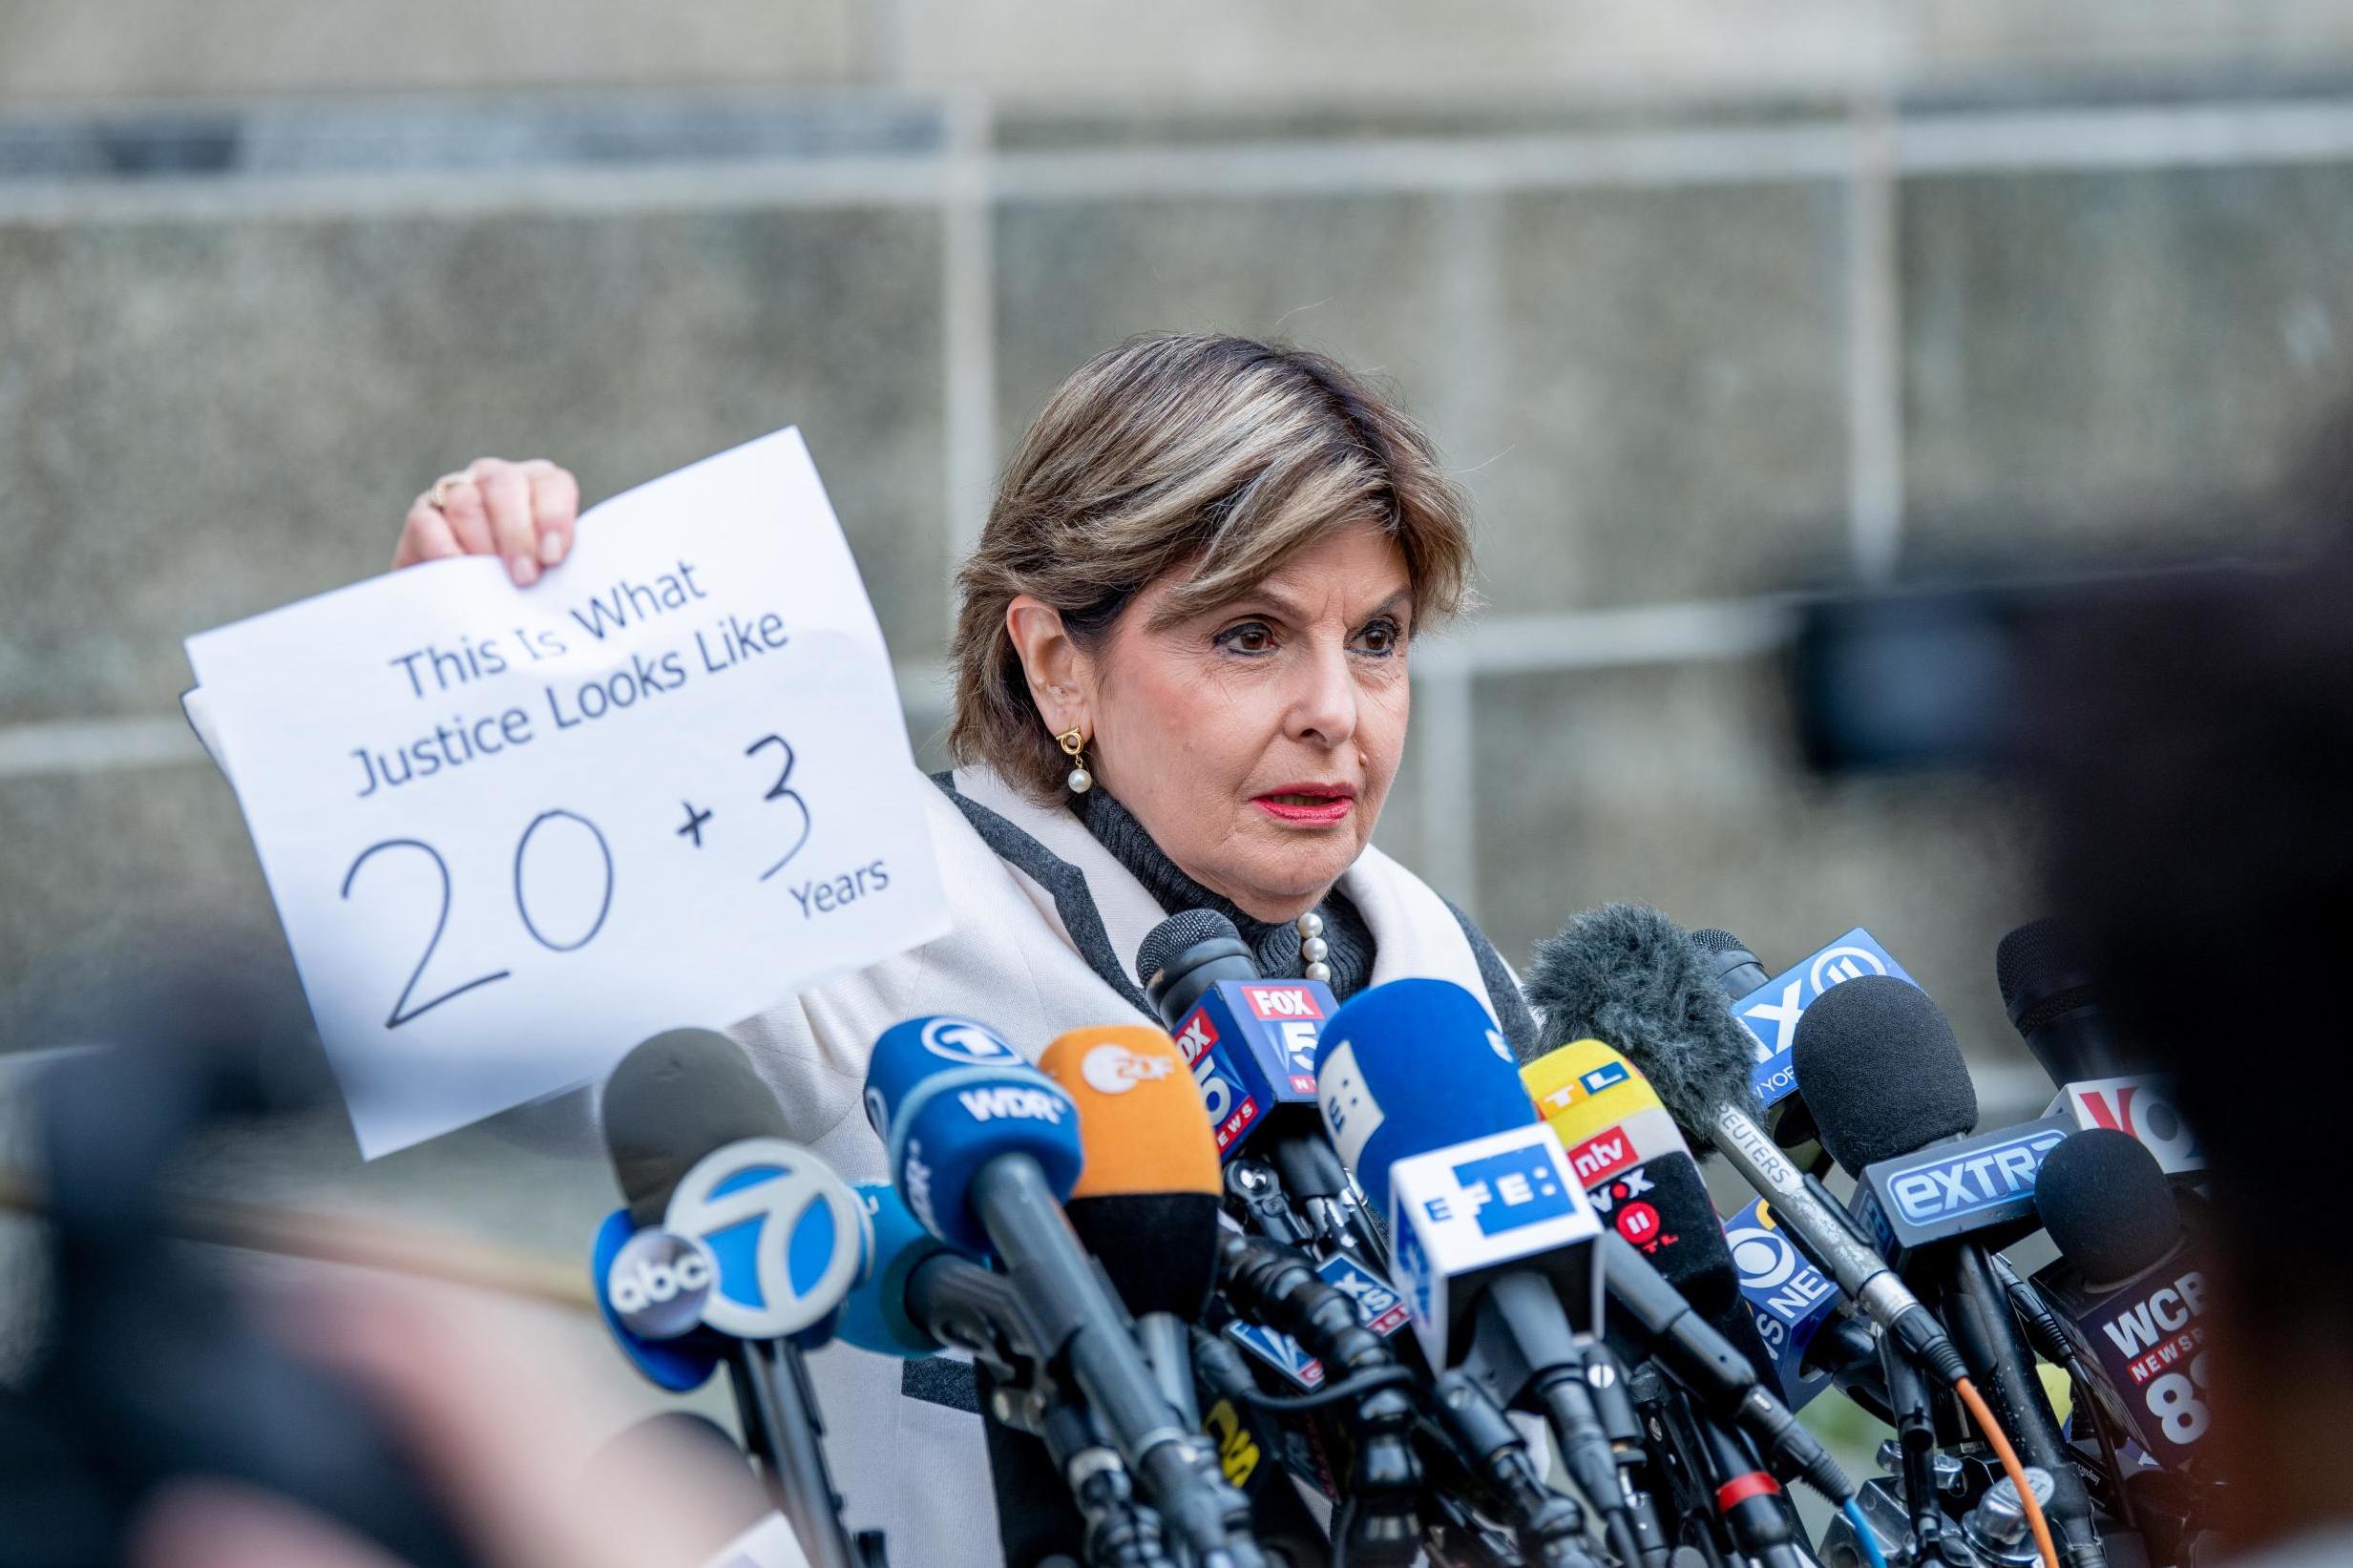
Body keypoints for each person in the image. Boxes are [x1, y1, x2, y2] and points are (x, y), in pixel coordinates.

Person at [391, 332, 1536, 1564]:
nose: (1334, 711)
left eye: (1376, 638)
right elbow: (525, 1051)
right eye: (1248, 637)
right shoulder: (864, 902)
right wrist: (467, 674)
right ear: (1057, 668)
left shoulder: (1423, 954)